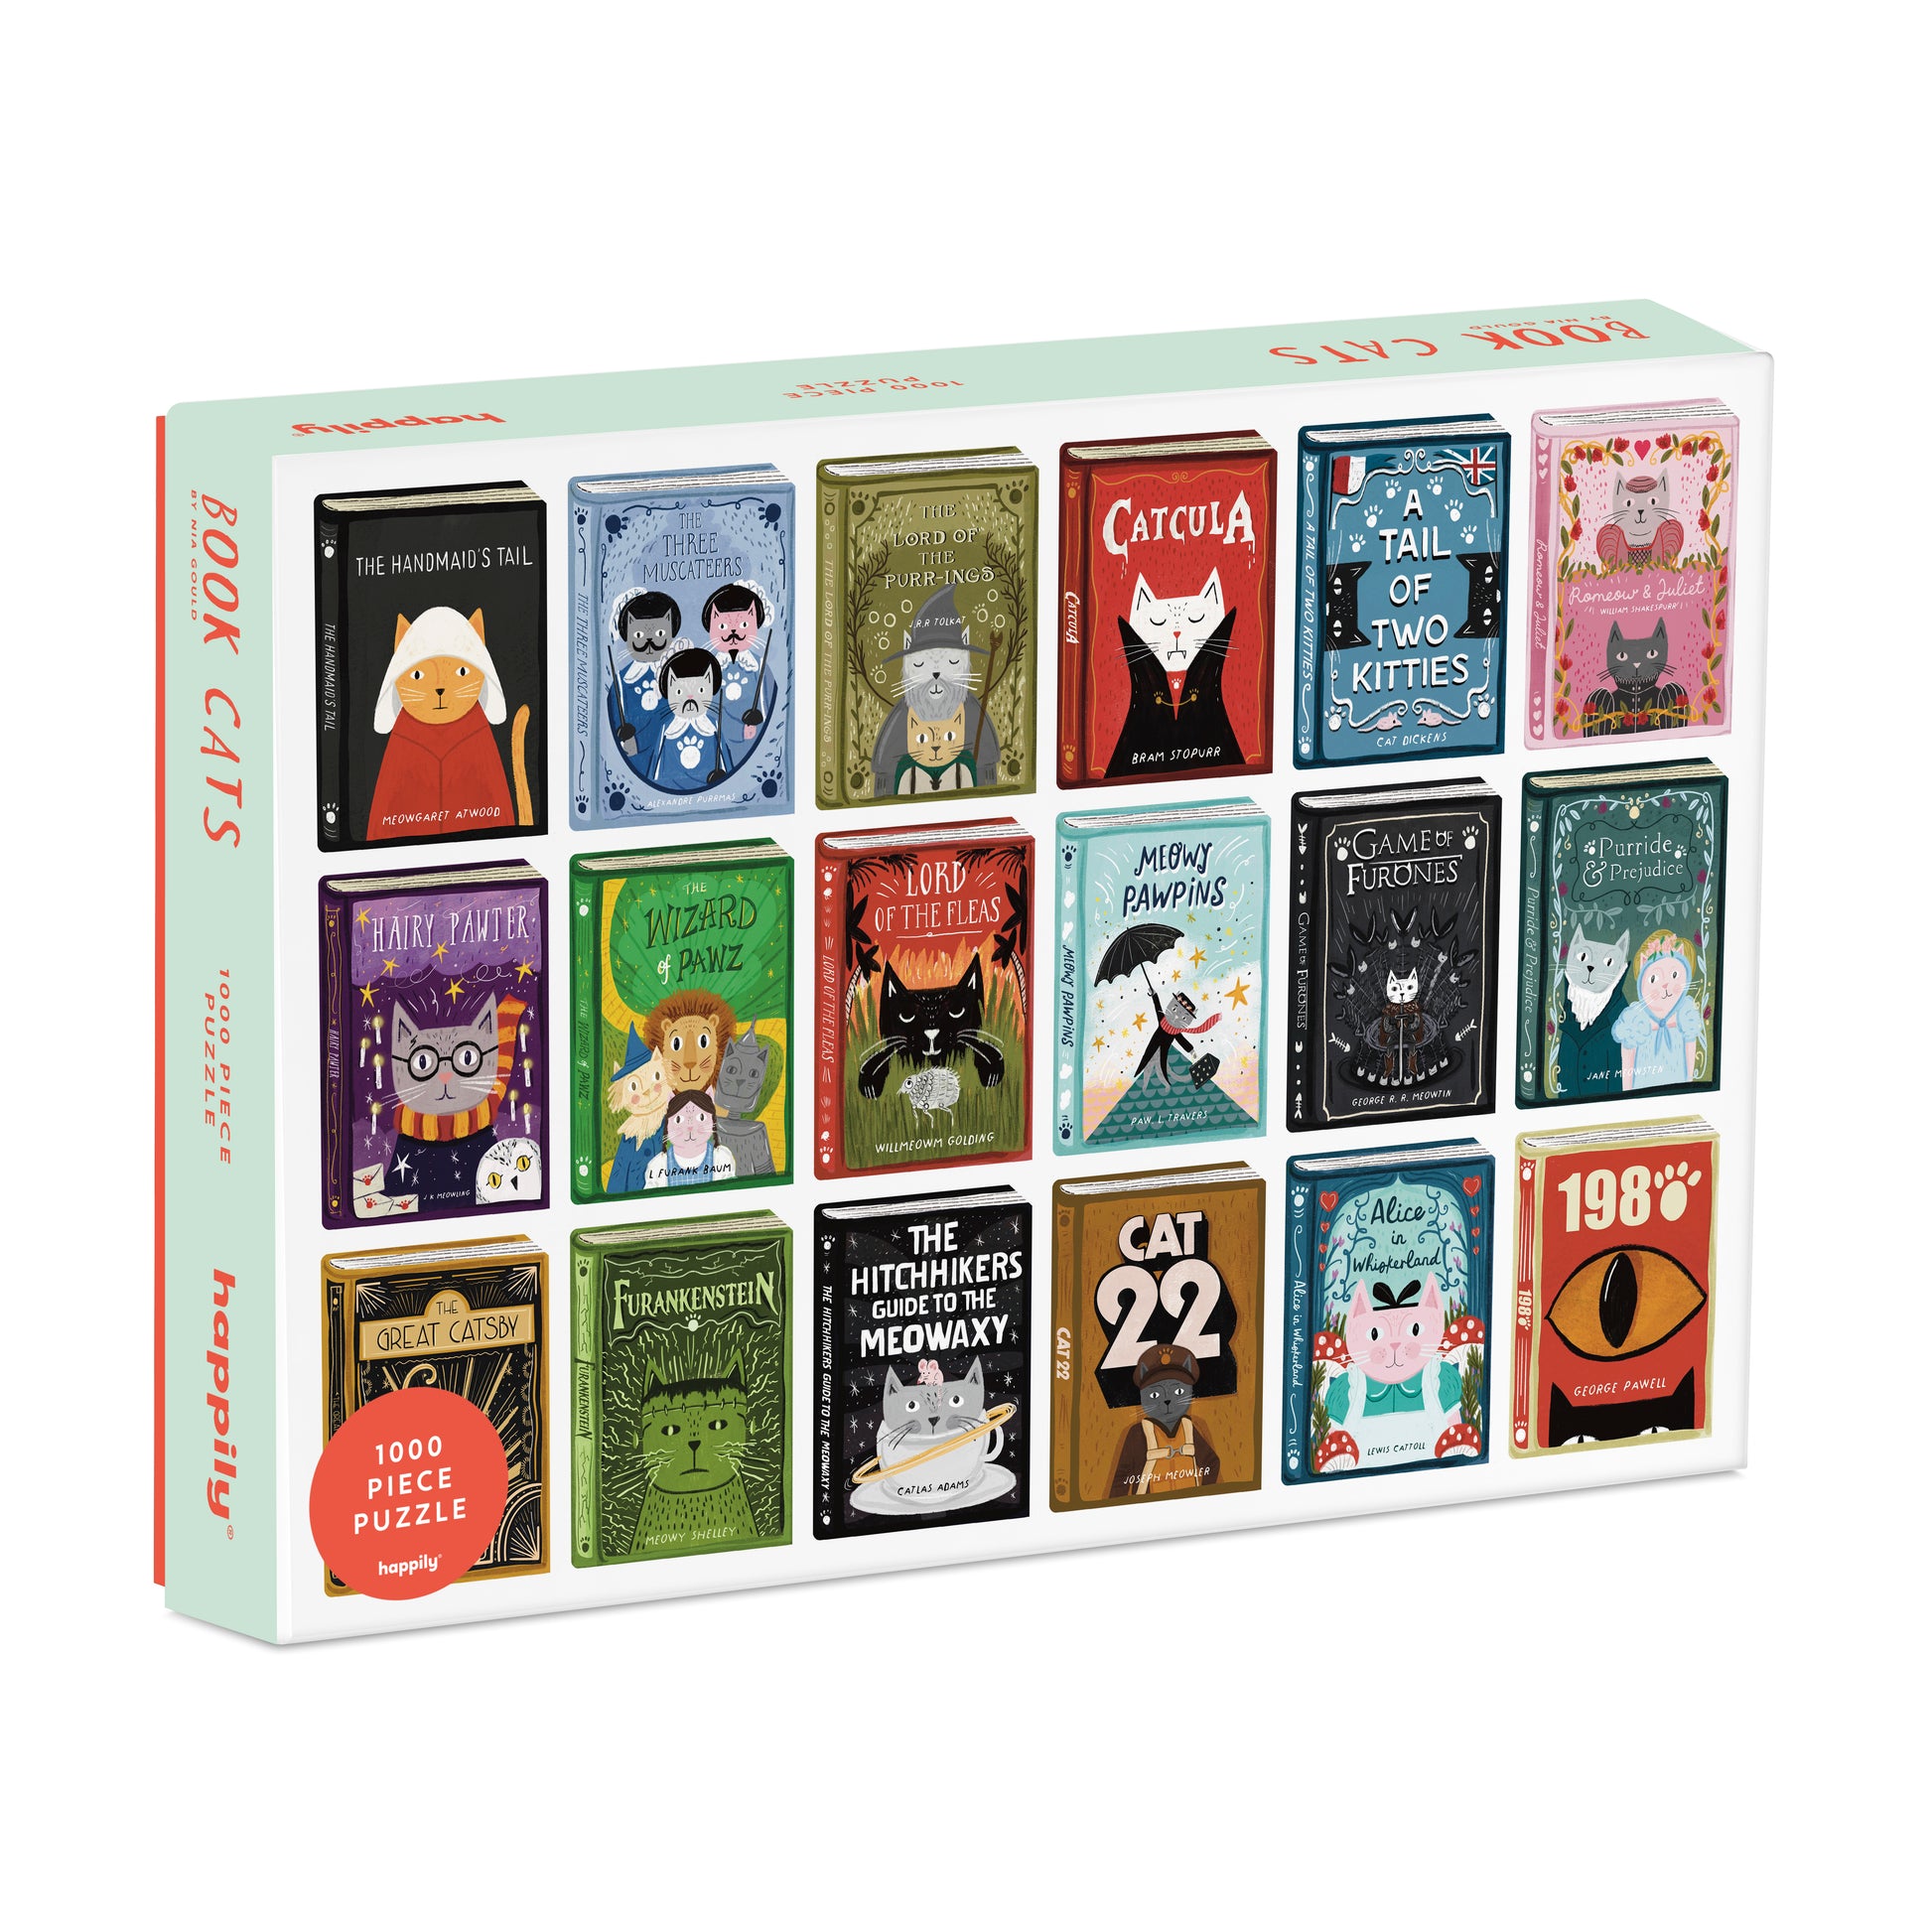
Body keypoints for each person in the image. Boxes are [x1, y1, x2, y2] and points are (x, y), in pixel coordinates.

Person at [1110, 1344, 1220, 1498]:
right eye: (1155, 1395)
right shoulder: (1137, 1434)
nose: (1167, 1400)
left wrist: (1204, 1495)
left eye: (1178, 1391)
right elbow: (1121, 1478)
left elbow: (1212, 1462)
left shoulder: (1188, 1428)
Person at [1613, 930, 1705, 1090]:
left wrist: (1688, 1082)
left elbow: (1690, 1050)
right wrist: (1627, 1092)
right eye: (1653, 978)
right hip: (1641, 1091)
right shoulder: (1635, 1021)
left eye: (1674, 974)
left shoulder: (1685, 1016)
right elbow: (1627, 1061)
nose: (1665, 985)